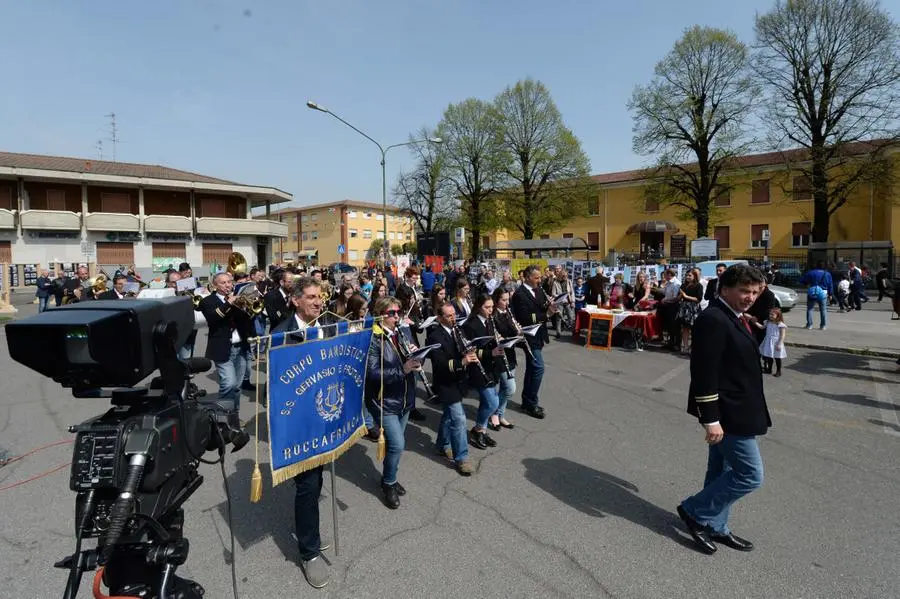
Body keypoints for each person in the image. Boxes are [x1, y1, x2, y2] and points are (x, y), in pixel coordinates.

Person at [678, 264, 770, 555]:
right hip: (727, 414)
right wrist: (711, 419)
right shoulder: (714, 319)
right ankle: (694, 511)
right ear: (724, 289)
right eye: (744, 290)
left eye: (755, 291)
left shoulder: (736, 316)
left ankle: (715, 525)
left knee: (721, 470)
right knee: (749, 475)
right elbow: (704, 372)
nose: (750, 297)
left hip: (738, 409)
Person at [272, 276, 334, 589]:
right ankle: (308, 551)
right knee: (308, 486)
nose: (318, 301)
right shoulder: (282, 335)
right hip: (299, 425)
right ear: (296, 300)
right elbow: (278, 387)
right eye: (311, 297)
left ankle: (313, 533)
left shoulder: (327, 326)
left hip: (325, 416)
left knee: (317, 480)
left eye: (319, 296)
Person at [365, 297, 420, 509]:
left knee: (394, 446)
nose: (397, 316)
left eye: (398, 312)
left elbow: (414, 358)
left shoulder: (402, 331)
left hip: (405, 397)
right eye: (392, 313)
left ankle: (390, 477)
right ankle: (388, 483)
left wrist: (417, 355)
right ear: (380, 315)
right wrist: (403, 369)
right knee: (397, 444)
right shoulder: (373, 338)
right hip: (384, 401)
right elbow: (372, 373)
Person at [426, 302, 479, 476]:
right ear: (440, 318)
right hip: (446, 384)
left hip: (459, 381)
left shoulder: (458, 330)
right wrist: (462, 362)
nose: (453, 318)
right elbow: (440, 364)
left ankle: (442, 445)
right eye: (449, 316)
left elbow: (462, 349)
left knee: (449, 417)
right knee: (459, 419)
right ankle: (461, 458)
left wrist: (470, 352)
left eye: (454, 314)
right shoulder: (435, 336)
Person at [199, 272, 253, 411]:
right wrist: (229, 303)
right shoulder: (207, 301)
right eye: (223, 283)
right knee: (229, 383)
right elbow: (213, 319)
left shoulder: (238, 298)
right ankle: (221, 414)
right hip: (222, 347)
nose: (228, 285)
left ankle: (234, 415)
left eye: (229, 282)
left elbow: (247, 319)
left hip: (240, 346)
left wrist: (248, 306)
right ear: (215, 286)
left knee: (237, 387)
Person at [511, 265, 556, 420]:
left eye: (540, 277)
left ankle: (527, 401)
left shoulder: (538, 290)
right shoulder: (519, 294)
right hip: (528, 336)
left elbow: (541, 306)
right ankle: (532, 402)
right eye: (536, 278)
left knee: (532, 368)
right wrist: (546, 314)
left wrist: (549, 304)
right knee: (538, 368)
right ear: (528, 277)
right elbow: (525, 317)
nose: (539, 280)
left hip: (538, 334)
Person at [462, 293, 503, 450]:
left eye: (492, 307)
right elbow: (470, 350)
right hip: (478, 369)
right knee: (493, 403)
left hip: (491, 367)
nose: (491, 310)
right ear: (479, 307)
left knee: (487, 402)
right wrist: (490, 353)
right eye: (487, 307)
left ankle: (482, 431)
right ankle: (478, 428)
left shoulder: (490, 321)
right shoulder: (470, 325)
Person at [490, 287, 518, 431]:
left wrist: (519, 331)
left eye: (508, 299)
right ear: (496, 300)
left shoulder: (508, 313)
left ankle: (500, 415)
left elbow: (513, 332)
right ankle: (495, 413)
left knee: (504, 388)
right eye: (503, 300)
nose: (506, 303)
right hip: (500, 355)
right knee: (509, 388)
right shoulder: (493, 315)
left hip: (510, 353)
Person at [800, 261, 833, 330]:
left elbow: (802, 280)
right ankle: (823, 326)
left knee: (810, 309)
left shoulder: (810, 272)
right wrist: (830, 294)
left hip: (812, 292)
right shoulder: (827, 274)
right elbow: (830, 285)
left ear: (816, 266)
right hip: (823, 293)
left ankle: (809, 325)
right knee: (823, 310)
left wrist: (807, 284)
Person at [755, 308, 787, 377]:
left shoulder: (781, 324)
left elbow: (782, 335)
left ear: (778, 315)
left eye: (773, 314)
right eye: (770, 314)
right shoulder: (768, 322)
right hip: (768, 341)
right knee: (769, 356)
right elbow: (761, 327)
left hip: (776, 342)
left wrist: (779, 344)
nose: (770, 316)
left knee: (777, 357)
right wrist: (755, 322)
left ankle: (778, 371)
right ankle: (769, 369)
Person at [677, 269, 703, 353]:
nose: (688, 277)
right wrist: (681, 295)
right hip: (684, 308)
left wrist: (686, 296)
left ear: (694, 276)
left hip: (693, 309)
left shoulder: (698, 285)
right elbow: (678, 298)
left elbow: (698, 299)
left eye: (690, 275)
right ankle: (685, 347)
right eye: (687, 275)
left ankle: (694, 347)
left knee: (694, 329)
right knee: (685, 328)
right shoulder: (683, 285)